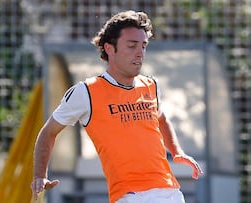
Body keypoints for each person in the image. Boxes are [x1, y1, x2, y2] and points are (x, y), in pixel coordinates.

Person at [30, 10, 203, 203]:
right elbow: (47, 133)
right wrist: (39, 175)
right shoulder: (86, 92)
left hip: (170, 192)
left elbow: (161, 119)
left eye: (143, 46)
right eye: (132, 46)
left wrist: (177, 151)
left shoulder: (151, 86)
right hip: (129, 196)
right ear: (109, 48)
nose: (140, 53)